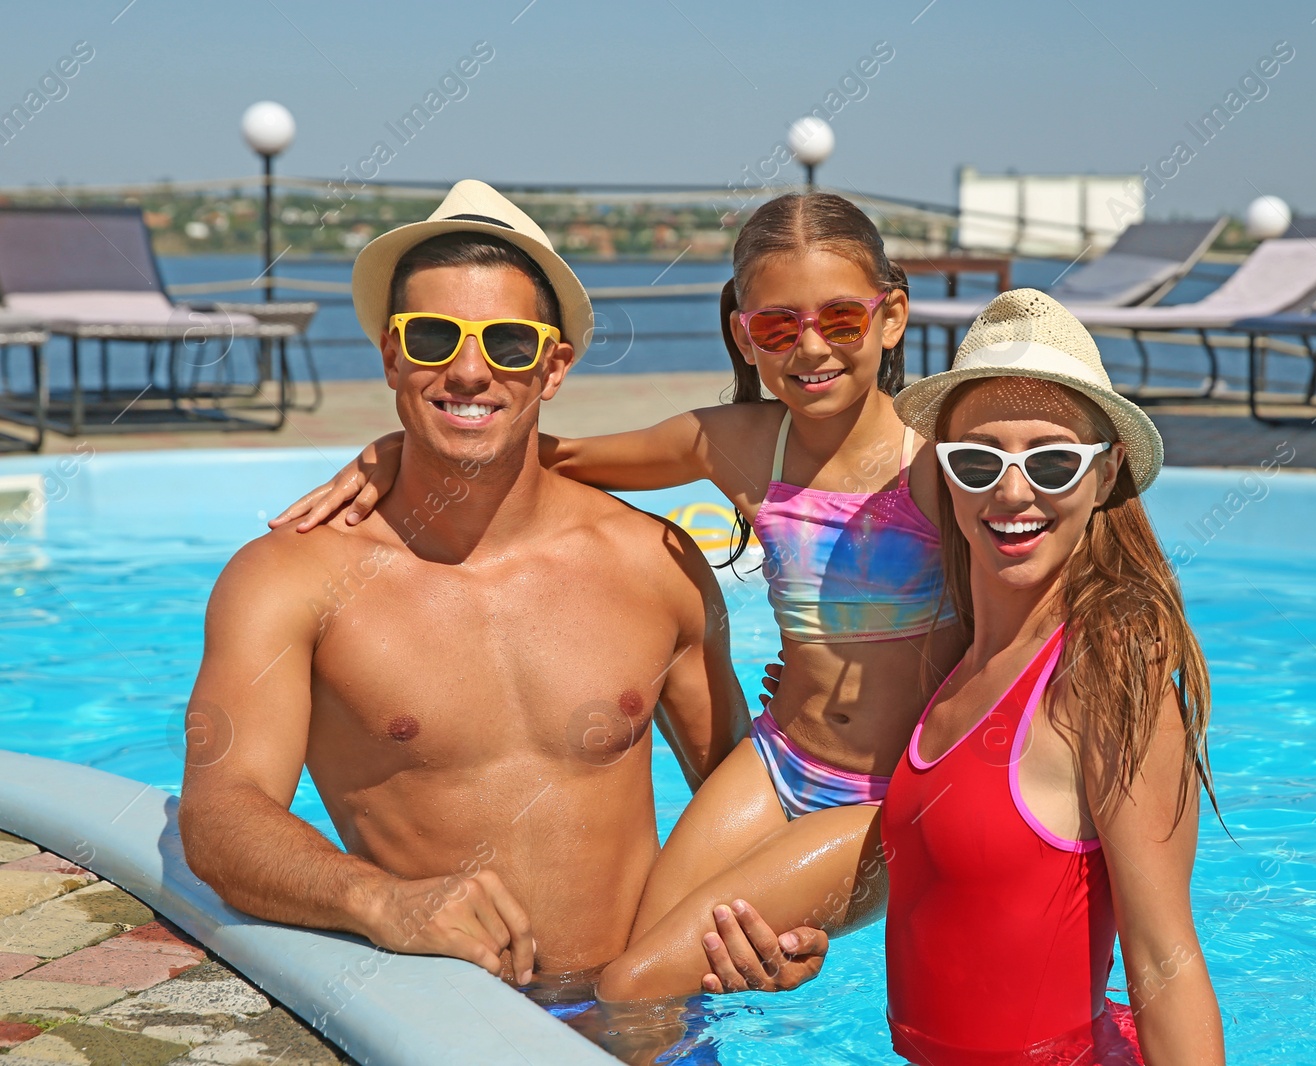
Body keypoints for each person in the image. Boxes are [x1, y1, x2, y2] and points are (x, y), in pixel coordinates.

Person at [270, 192, 966, 1000]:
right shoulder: (736, 443)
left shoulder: (949, 465)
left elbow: (1050, 591)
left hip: (896, 793)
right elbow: (547, 455)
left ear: (893, 317)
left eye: (841, 320)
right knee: (638, 962)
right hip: (778, 764)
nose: (810, 347)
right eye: (778, 327)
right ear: (745, 334)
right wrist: (402, 447)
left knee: (636, 982)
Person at [179, 181, 821, 1004]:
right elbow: (220, 814)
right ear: (390, 356)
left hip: (652, 1021)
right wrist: (382, 901)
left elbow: (741, 792)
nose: (471, 370)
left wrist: (772, 926)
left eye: (511, 343)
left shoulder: (654, 563)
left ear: (553, 368)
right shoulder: (288, 579)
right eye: (434, 337)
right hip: (447, 1031)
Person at [705, 291, 1225, 1063]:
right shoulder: (955, 664)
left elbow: (1164, 963)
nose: (1012, 493)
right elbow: (946, 882)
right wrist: (808, 943)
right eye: (978, 461)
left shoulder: (1109, 665)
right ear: (943, 474)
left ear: (1108, 470)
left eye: (1052, 461)